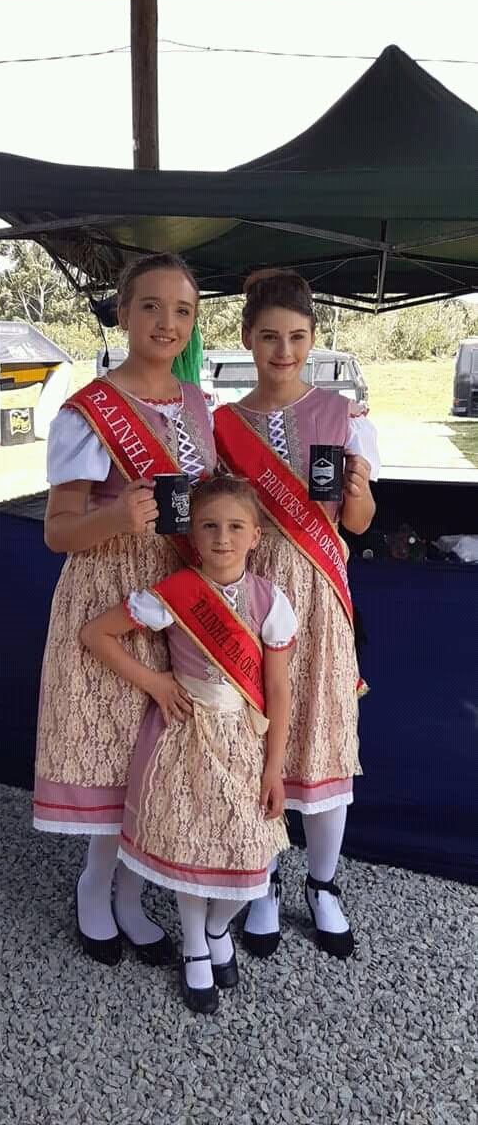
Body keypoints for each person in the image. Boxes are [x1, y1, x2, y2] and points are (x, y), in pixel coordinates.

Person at [33, 253, 216, 967]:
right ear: (122, 312)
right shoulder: (89, 411)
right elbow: (58, 532)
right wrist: (116, 519)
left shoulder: (198, 403)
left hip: (177, 592)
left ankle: (132, 897)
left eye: (182, 310)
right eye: (151, 306)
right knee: (113, 751)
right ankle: (94, 888)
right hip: (109, 591)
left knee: (159, 755)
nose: (167, 323)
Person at [80, 476, 297, 1013]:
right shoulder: (173, 594)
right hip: (186, 738)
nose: (223, 538)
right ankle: (196, 944)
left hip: (243, 742)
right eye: (209, 526)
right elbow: (95, 634)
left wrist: (274, 768)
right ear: (192, 536)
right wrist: (154, 683)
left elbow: (278, 690)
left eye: (236, 527)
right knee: (192, 844)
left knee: (249, 853)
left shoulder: (271, 601)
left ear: (256, 536)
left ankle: (219, 928)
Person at [214, 269, 380, 961]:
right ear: (246, 338)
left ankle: (322, 884)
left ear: (312, 339)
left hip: (318, 589)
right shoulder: (221, 423)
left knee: (322, 730)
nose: (283, 351)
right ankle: (260, 880)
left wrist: (357, 488)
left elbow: (359, 524)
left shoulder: (344, 416)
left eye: (297, 337)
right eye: (269, 337)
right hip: (250, 593)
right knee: (254, 733)